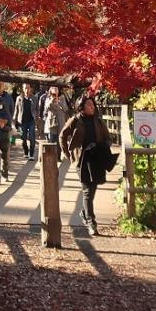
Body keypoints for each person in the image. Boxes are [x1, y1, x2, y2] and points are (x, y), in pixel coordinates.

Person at [60, 94, 113, 235]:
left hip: (96, 158)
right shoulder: (75, 120)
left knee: (93, 188)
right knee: (87, 191)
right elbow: (62, 136)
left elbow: (108, 138)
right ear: (81, 107)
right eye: (89, 105)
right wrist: (68, 154)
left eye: (93, 104)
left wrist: (104, 146)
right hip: (81, 159)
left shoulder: (98, 121)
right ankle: (91, 222)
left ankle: (85, 212)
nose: (92, 107)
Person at [15, 82, 39, 159]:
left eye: (28, 88)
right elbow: (16, 110)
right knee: (23, 139)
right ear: (23, 89)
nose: (27, 89)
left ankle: (31, 154)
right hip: (22, 121)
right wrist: (14, 121)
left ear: (30, 88)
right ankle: (26, 152)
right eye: (25, 88)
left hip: (31, 121)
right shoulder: (19, 98)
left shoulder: (34, 98)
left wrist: (36, 117)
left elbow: (37, 109)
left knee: (32, 138)